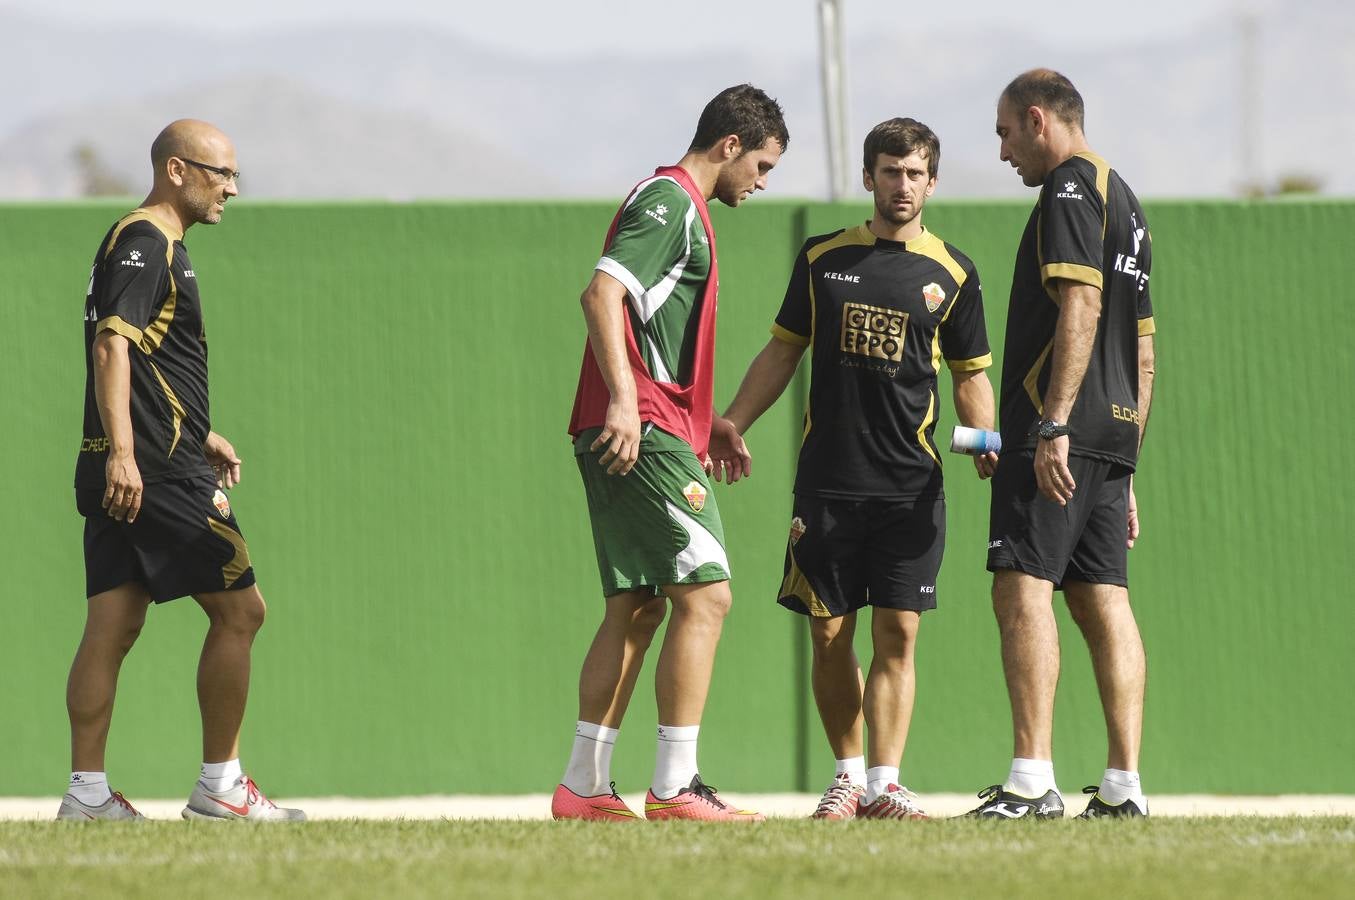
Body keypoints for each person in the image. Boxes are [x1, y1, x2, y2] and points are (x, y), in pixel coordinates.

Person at [714, 118, 996, 820]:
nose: (902, 185)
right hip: (829, 484)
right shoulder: (820, 259)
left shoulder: (953, 273)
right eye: (890, 171)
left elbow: (969, 375)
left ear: (932, 182)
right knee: (829, 631)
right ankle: (845, 778)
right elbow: (781, 352)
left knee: (898, 634)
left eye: (916, 173)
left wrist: (987, 438)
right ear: (868, 177)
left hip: (911, 490)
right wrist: (730, 422)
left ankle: (884, 783)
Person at [553, 85, 788, 823]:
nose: (762, 180)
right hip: (639, 427)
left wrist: (704, 418)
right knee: (706, 594)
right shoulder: (672, 202)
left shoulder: (676, 204)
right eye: (763, 164)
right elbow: (600, 295)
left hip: (652, 421)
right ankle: (675, 786)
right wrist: (629, 402)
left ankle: (583, 787)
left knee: (637, 605)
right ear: (728, 146)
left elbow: (648, 325)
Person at [60, 120, 304, 822]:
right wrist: (132, 455)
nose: (231, 186)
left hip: (147, 461)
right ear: (175, 169)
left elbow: (147, 366)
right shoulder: (147, 242)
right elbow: (113, 347)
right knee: (241, 611)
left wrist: (200, 434)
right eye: (218, 172)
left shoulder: (142, 242)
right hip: (154, 474)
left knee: (112, 625)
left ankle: (86, 797)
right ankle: (222, 789)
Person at [969, 69, 1156, 820]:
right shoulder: (1127, 202)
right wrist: (1126, 460)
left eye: (1005, 132)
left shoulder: (1069, 190)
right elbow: (1143, 352)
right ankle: (1122, 788)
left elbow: (1079, 302)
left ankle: (1029, 780)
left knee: (1020, 584)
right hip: (1111, 433)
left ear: (1038, 120)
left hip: (1059, 431)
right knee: (1101, 597)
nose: (1004, 149)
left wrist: (1051, 423)